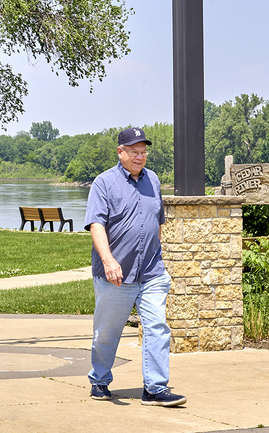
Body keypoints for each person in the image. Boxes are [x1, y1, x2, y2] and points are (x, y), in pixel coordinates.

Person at [84, 127, 185, 407]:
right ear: (121, 152)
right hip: (115, 274)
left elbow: (157, 222)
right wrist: (108, 260)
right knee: (107, 332)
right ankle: (100, 380)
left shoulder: (152, 180)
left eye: (143, 152)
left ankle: (155, 388)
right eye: (134, 152)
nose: (140, 157)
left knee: (156, 326)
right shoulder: (104, 183)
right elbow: (96, 224)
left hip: (151, 272)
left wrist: (158, 258)